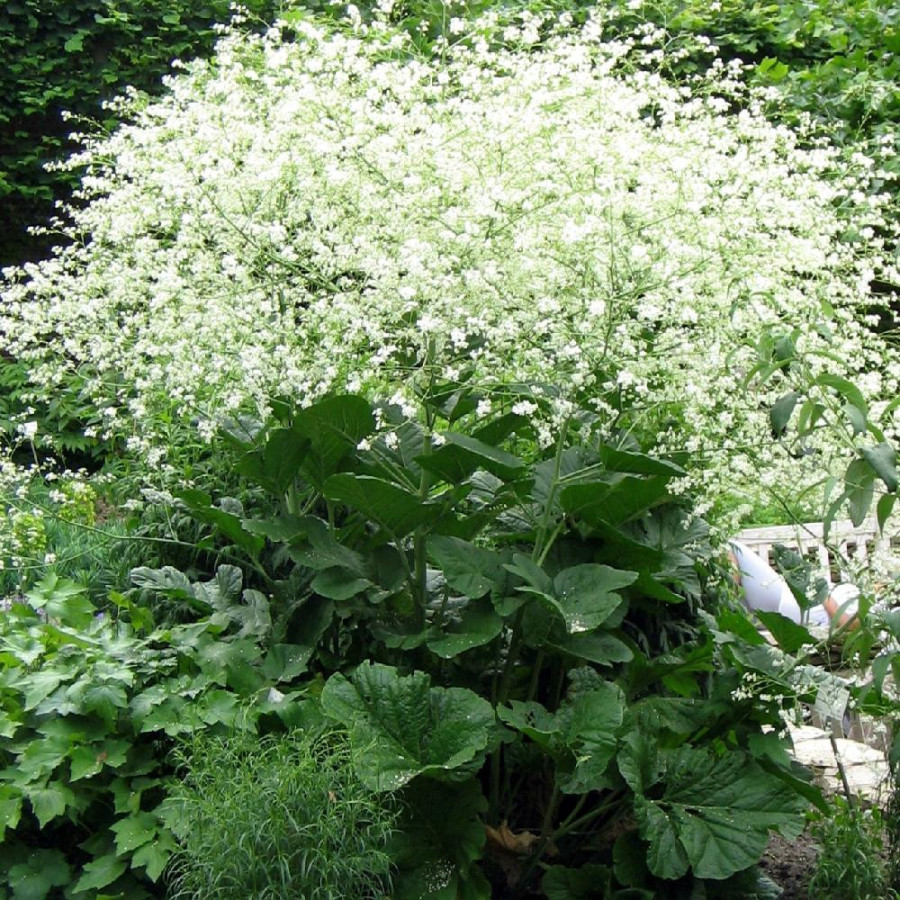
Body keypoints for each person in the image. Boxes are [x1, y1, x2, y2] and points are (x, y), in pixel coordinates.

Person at [728, 540, 863, 629]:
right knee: (726, 546)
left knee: (730, 546)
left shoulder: (874, 611)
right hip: (780, 605)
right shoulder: (860, 595)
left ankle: (726, 604)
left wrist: (821, 591)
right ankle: (727, 604)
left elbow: (846, 622)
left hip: (788, 606)